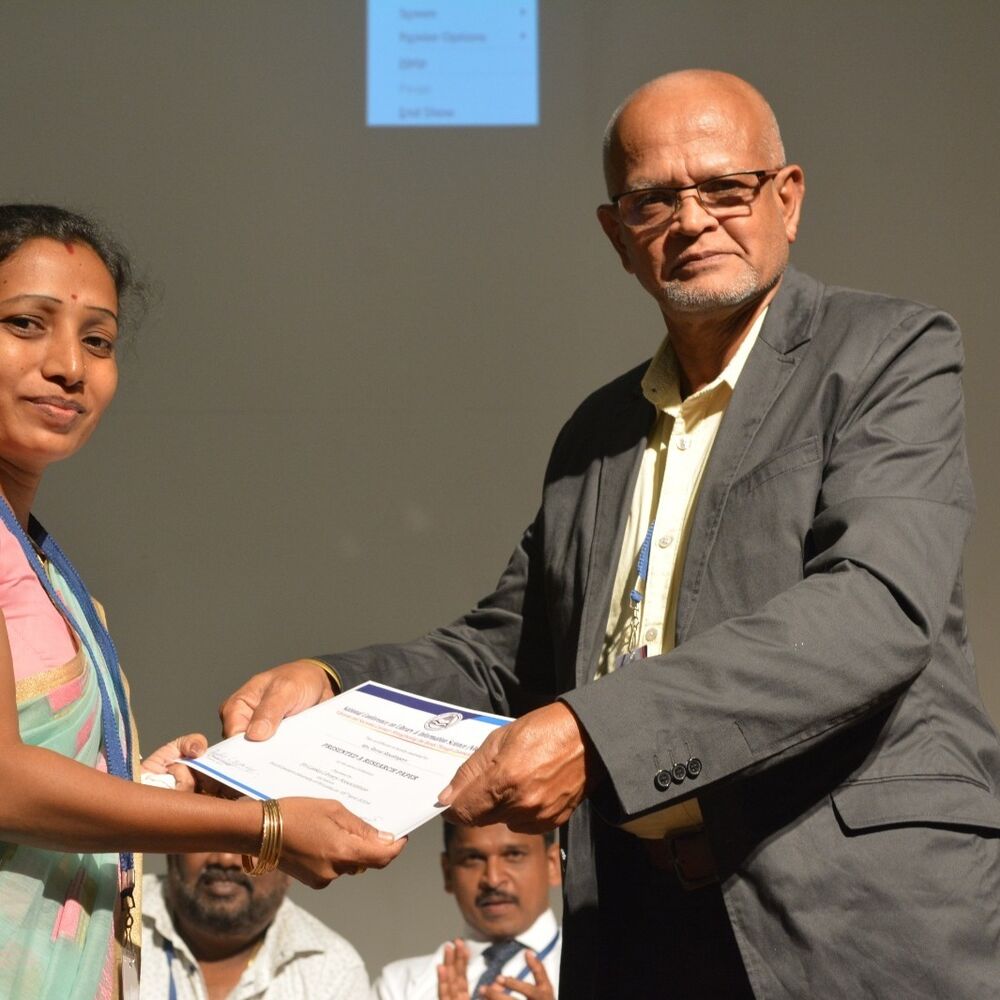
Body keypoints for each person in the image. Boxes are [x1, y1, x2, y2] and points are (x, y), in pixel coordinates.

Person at [222, 70, 1000, 998]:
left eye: (725, 188)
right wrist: (333, 687)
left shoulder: (887, 351)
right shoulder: (597, 433)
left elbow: (875, 609)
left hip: (855, 918)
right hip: (640, 928)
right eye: (654, 200)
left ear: (787, 200)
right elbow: (505, 657)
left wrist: (595, 733)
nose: (693, 220)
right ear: (617, 235)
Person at [0, 204, 404, 1000]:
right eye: (24, 324)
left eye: (98, 340)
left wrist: (143, 790)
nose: (69, 366)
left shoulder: (43, 562)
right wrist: (265, 825)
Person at [140, 850, 369, 999]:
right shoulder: (123, 915)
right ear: (171, 849)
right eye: (206, 836)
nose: (225, 859)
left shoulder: (331, 969)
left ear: (291, 864)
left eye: (251, 841)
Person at [372, 822, 560, 1000]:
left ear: (554, 864)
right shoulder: (399, 985)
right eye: (473, 858)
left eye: (514, 855)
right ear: (447, 872)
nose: (493, 879)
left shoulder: (579, 971)